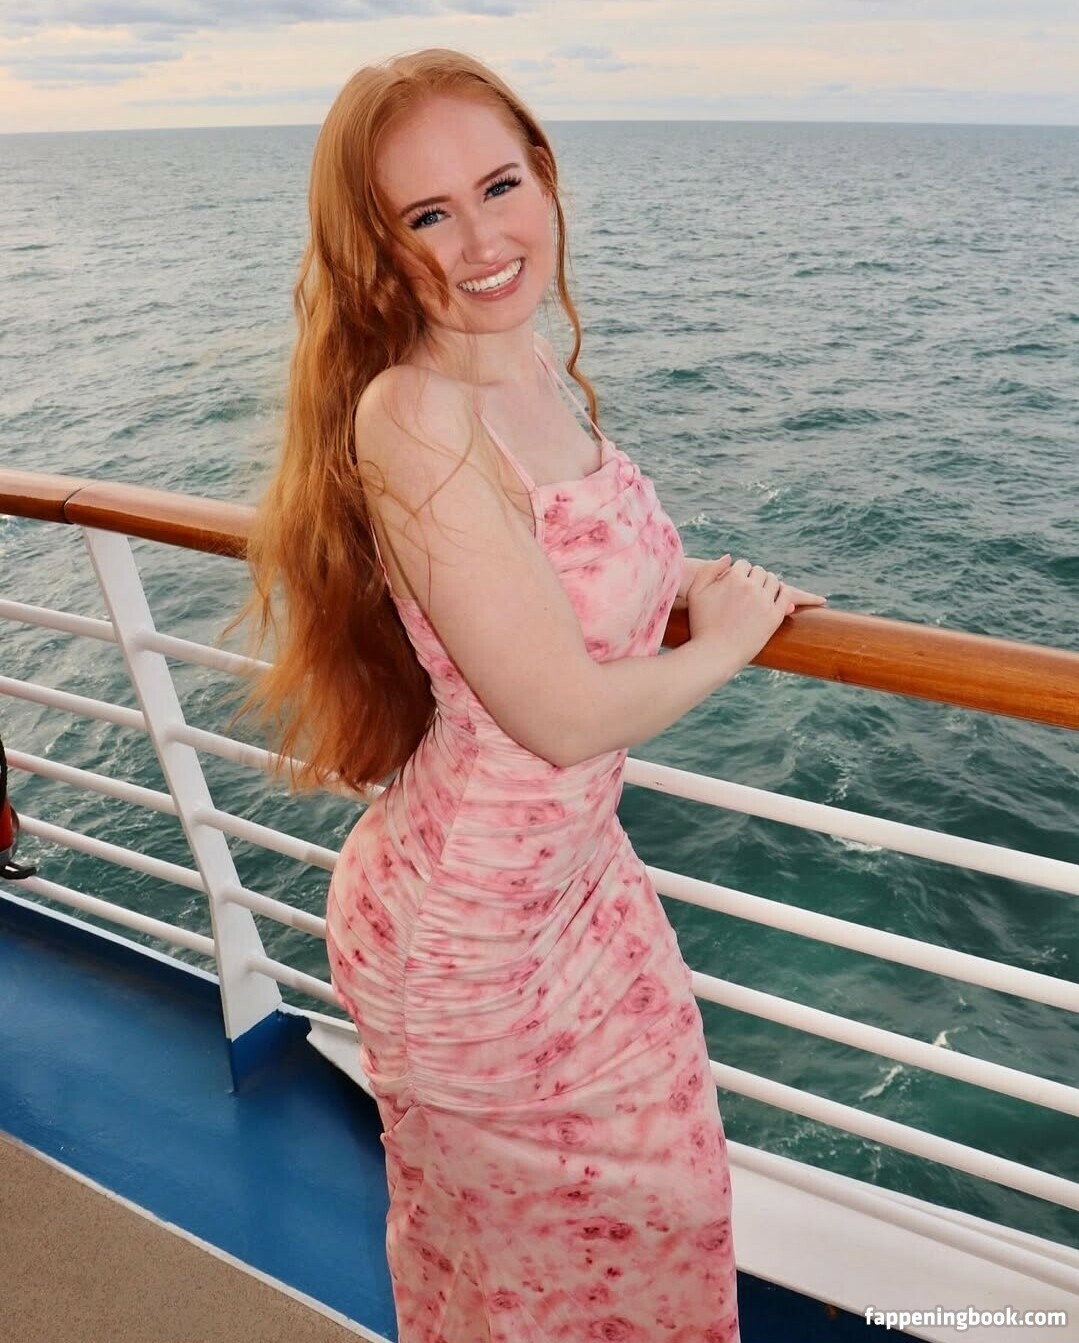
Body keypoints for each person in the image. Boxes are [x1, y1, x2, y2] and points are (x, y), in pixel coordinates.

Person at [241, 47, 824, 1343]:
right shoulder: (414, 412)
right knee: (563, 1284)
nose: (482, 241)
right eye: (428, 215)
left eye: (500, 187)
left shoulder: (528, 370)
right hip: (473, 941)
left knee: (647, 1236)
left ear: (546, 180)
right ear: (377, 249)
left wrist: (687, 585)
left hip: (578, 891)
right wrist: (729, 640)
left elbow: (562, 580)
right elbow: (559, 716)